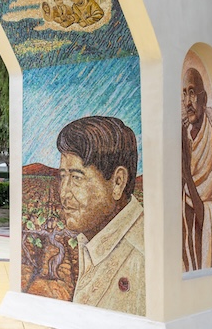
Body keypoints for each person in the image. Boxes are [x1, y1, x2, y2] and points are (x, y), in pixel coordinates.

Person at [57, 116, 144, 315]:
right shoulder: (91, 240)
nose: (64, 192)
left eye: (76, 178)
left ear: (117, 182)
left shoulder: (141, 258)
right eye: (63, 177)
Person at [181, 67, 212, 271]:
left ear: (204, 99)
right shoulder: (182, 137)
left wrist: (186, 173)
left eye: (192, 93)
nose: (188, 102)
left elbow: (210, 215)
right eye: (184, 94)